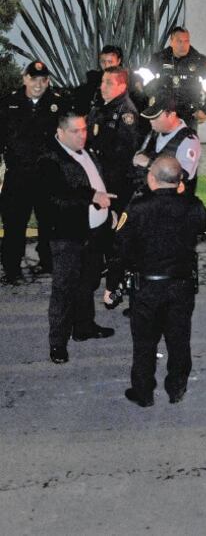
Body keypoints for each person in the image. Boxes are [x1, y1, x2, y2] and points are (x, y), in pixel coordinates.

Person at [104, 156, 206, 407]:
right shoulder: (192, 205)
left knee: (144, 343)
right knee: (179, 340)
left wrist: (111, 286)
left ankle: (143, 392)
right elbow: (203, 224)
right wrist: (183, 195)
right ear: (179, 181)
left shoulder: (137, 208)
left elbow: (119, 251)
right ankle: (177, 387)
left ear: (152, 179)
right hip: (181, 285)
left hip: (147, 287)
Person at [39, 112, 116, 364]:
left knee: (88, 282)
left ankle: (84, 326)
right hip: (67, 235)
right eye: (75, 131)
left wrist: (108, 211)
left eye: (84, 129)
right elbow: (54, 198)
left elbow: (99, 181)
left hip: (94, 231)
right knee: (64, 289)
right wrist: (91, 197)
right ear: (60, 132)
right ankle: (58, 343)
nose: (82, 135)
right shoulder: (49, 159)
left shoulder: (86, 151)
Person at [0, 60, 72, 283]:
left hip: (47, 175)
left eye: (43, 80)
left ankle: (48, 263)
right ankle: (11, 268)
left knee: (49, 222)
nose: (38, 84)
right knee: (14, 223)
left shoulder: (59, 104)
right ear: (25, 79)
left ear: (48, 81)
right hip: (18, 174)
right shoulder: (9, 103)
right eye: (33, 79)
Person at [136, 26, 206, 126]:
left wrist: (205, 110)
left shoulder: (198, 61)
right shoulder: (159, 59)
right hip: (163, 113)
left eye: (186, 41)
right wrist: (152, 98)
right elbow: (141, 82)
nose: (183, 45)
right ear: (171, 42)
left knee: (187, 136)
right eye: (179, 41)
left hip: (189, 114)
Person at [87, 66, 142, 214]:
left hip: (113, 180)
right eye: (103, 81)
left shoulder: (126, 113)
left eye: (109, 83)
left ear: (122, 86)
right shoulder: (102, 104)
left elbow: (125, 152)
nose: (103, 87)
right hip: (98, 173)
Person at [132, 95, 201, 194]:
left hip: (174, 199)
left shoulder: (188, 141)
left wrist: (149, 163)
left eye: (155, 117)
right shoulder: (155, 133)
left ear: (172, 115)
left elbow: (182, 176)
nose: (151, 121)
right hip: (151, 195)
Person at [71, 45, 149, 121]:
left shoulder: (131, 78)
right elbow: (82, 99)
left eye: (110, 62)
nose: (106, 65)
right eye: (103, 62)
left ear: (118, 61)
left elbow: (141, 101)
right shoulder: (94, 78)